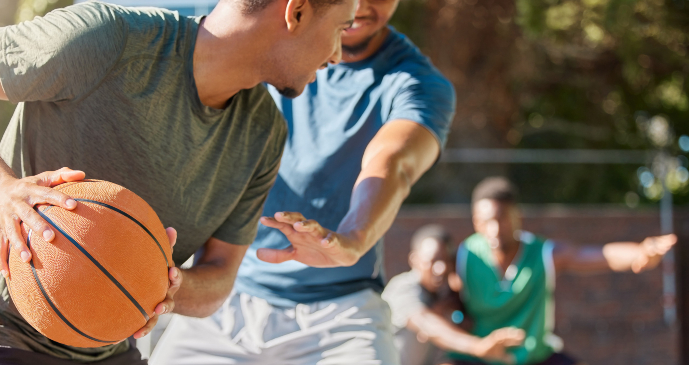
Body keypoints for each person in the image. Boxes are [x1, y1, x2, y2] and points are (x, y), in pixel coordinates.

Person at [0, 0, 358, 363]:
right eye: (341, 28)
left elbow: (218, 280)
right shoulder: (110, 39)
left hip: (104, 342)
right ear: (295, 11)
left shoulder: (264, 135)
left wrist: (164, 287)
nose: (338, 54)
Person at [151, 0, 456, 363]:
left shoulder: (418, 83)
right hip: (226, 293)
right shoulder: (262, 42)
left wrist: (353, 237)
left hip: (342, 313)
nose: (363, 5)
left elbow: (394, 162)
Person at [448, 176, 677, 365]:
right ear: (476, 222)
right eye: (487, 221)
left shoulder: (542, 254)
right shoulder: (463, 257)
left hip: (534, 358)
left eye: (502, 219)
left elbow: (595, 255)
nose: (495, 229)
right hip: (479, 357)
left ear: (517, 216)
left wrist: (640, 253)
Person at [382, 225, 525, 365]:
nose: (441, 269)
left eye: (446, 261)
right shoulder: (403, 288)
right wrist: (478, 346)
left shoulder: (445, 295)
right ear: (414, 260)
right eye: (432, 261)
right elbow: (426, 323)